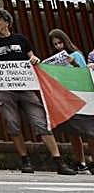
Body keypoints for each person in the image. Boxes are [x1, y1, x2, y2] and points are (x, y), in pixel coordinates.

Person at [0, 7, 76, 175]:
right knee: (12, 123)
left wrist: (34, 59)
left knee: (40, 122)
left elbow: (32, 57)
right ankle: (25, 161)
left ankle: (58, 161)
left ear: (7, 22)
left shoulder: (21, 39)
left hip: (26, 88)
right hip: (5, 90)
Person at [46, 28, 91, 173]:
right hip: (67, 98)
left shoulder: (76, 55)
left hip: (82, 95)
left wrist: (74, 64)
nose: (59, 46)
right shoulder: (55, 58)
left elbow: (85, 74)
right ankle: (80, 161)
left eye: (60, 43)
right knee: (73, 132)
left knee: (89, 131)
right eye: (55, 44)